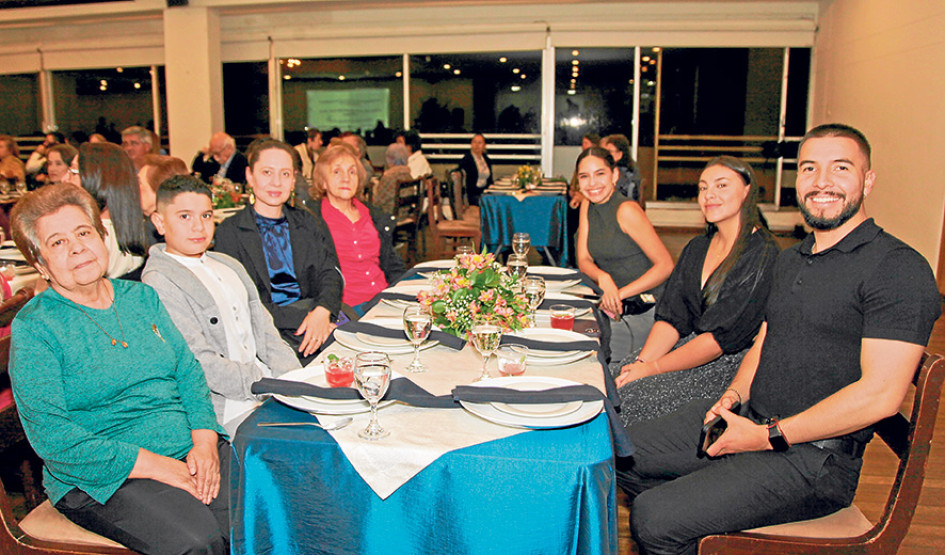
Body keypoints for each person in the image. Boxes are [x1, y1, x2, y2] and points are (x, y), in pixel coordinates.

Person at [620, 123, 941, 555]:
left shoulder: (897, 268)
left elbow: (880, 397)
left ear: (867, 181)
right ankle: (703, 520)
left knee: (653, 517)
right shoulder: (793, 259)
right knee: (622, 449)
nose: (822, 181)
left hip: (814, 461)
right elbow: (764, 341)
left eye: (840, 168)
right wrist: (732, 396)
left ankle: (686, 519)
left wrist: (765, 436)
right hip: (752, 420)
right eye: (810, 168)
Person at [8, 183, 229, 554]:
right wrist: (159, 467)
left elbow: (189, 374)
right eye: (58, 242)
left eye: (83, 232)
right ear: (39, 263)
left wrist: (205, 442)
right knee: (199, 542)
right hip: (101, 477)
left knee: (265, 508)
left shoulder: (141, 297)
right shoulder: (35, 327)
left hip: (187, 448)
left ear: (101, 235)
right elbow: (52, 437)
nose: (77, 247)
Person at [612, 156, 780, 427]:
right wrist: (643, 363)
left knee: (628, 402)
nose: (709, 195)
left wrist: (652, 370)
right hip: (688, 348)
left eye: (721, 185)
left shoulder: (762, 254)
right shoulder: (696, 248)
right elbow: (672, 318)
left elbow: (717, 342)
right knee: (611, 378)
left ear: (747, 190)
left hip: (726, 369)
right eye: (703, 188)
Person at [143, 176, 300, 435]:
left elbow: (267, 332)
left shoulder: (227, 264)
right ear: (160, 222)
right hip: (225, 407)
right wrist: (264, 381)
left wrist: (294, 380)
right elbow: (198, 361)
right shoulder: (159, 281)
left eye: (205, 216)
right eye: (184, 217)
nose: (198, 227)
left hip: (267, 389)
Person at [214, 138, 343, 365]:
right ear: (249, 176)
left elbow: (331, 273)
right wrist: (308, 318)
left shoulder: (308, 222)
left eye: (284, 174)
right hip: (267, 332)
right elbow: (241, 302)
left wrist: (323, 311)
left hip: (320, 319)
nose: (276, 182)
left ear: (294, 180)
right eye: (266, 172)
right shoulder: (230, 231)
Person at [575, 147, 673, 362]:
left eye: (600, 174)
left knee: (618, 373)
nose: (592, 183)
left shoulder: (626, 210)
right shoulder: (587, 204)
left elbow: (666, 266)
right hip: (613, 305)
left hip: (646, 308)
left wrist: (618, 294)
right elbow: (583, 259)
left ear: (615, 175)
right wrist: (604, 278)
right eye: (584, 176)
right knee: (581, 349)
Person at [310, 144, 405, 313]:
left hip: (385, 301)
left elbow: (392, 263)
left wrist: (403, 295)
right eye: (337, 172)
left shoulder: (373, 216)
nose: (346, 178)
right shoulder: (313, 221)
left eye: (352, 172)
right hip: (345, 309)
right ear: (323, 182)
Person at [77, 142, 149, 279]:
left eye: (73, 172)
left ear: (98, 180)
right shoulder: (135, 227)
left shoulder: (91, 238)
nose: (65, 178)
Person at [456, 133, 494, 207]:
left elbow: (490, 180)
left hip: (486, 192)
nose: (476, 145)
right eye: (474, 142)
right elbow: (457, 173)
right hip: (474, 195)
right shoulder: (467, 159)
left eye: (480, 143)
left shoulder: (486, 159)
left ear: (484, 146)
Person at [374, 143, 413, 215]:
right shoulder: (408, 175)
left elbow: (377, 202)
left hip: (388, 216)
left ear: (390, 159)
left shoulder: (389, 177)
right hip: (405, 214)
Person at [601, 133, 642, 201]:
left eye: (609, 152)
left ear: (620, 154)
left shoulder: (622, 173)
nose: (606, 155)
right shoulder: (631, 166)